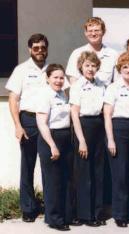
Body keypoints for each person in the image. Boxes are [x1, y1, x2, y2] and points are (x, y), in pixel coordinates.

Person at [6, 33, 52, 222]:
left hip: (49, 122)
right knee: (28, 165)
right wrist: (18, 125)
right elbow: (13, 99)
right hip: (29, 121)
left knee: (50, 165)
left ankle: (51, 207)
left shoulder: (52, 69)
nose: (40, 51)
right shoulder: (21, 70)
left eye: (42, 47)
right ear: (29, 49)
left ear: (47, 48)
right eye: (36, 48)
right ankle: (28, 208)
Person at [103, 52, 129, 227]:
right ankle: (120, 214)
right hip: (118, 129)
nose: (128, 69)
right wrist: (111, 140)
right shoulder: (113, 88)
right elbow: (107, 115)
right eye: (125, 67)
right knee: (120, 174)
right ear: (120, 69)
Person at [69, 51, 106, 226]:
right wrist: (81, 140)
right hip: (83, 127)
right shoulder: (77, 86)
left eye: (93, 65)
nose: (90, 69)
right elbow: (74, 114)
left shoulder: (102, 85)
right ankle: (84, 214)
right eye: (87, 65)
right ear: (81, 67)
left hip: (99, 127)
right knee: (83, 172)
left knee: (98, 172)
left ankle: (97, 213)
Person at [36, 64, 72, 231]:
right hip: (50, 138)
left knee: (64, 179)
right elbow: (42, 124)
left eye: (61, 77)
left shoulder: (63, 94)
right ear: (48, 78)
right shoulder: (45, 96)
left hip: (65, 137)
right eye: (55, 77)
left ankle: (62, 215)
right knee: (53, 181)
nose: (59, 80)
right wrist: (52, 146)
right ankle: (54, 219)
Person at [66, 17, 118, 86]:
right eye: (90, 31)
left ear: (103, 32)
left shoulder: (113, 55)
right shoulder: (77, 54)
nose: (93, 34)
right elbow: (73, 83)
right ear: (85, 33)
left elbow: (117, 83)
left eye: (96, 30)